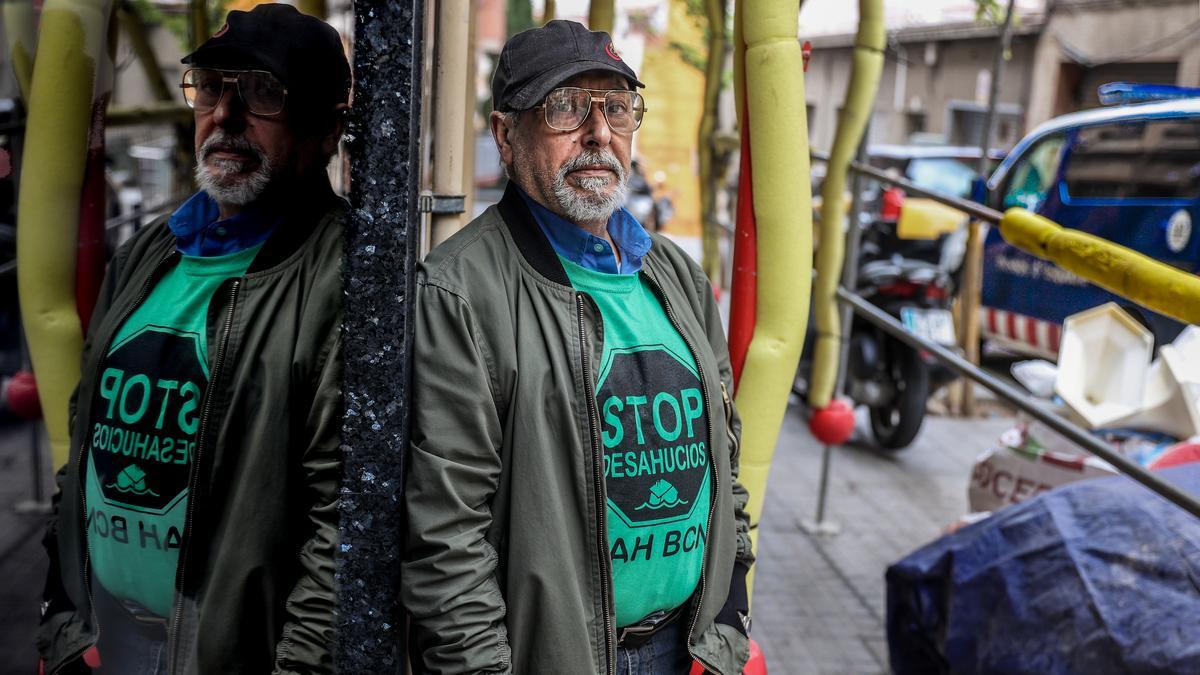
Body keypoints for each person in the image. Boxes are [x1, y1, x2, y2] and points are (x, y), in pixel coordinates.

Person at [403, 20, 753, 674]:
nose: (599, 133)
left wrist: (729, 605)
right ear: (507, 136)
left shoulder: (676, 276)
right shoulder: (460, 292)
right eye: (565, 108)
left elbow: (723, 456)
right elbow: (447, 536)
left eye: (615, 108)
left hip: (684, 648)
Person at [37, 5, 350, 672]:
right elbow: (85, 430)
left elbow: (342, 525)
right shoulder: (152, 251)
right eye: (211, 86)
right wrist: (65, 618)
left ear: (329, 128)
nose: (226, 116)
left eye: (263, 92)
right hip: (102, 643)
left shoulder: (344, 281)